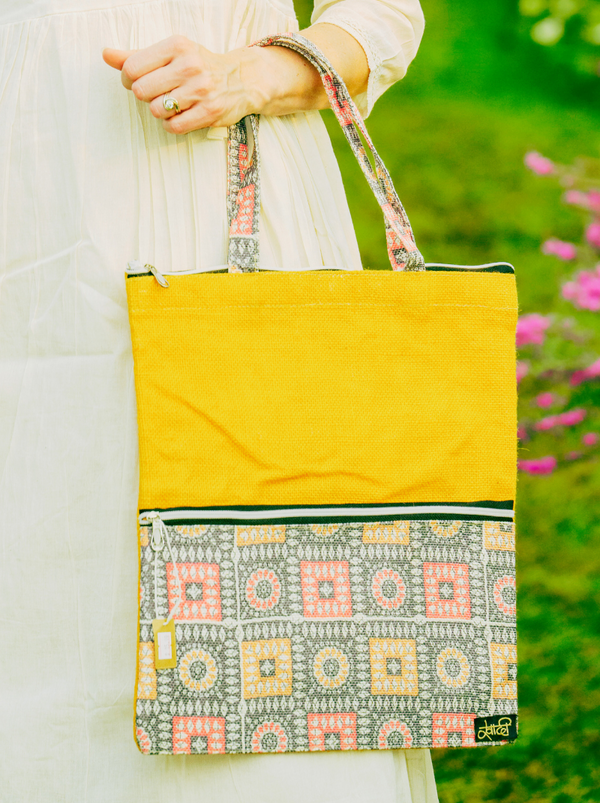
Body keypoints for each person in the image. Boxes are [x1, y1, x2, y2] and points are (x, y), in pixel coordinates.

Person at [0, 1, 437, 801]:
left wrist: (258, 71)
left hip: (211, 191)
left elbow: (383, 11)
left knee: (254, 601)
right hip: (21, 216)